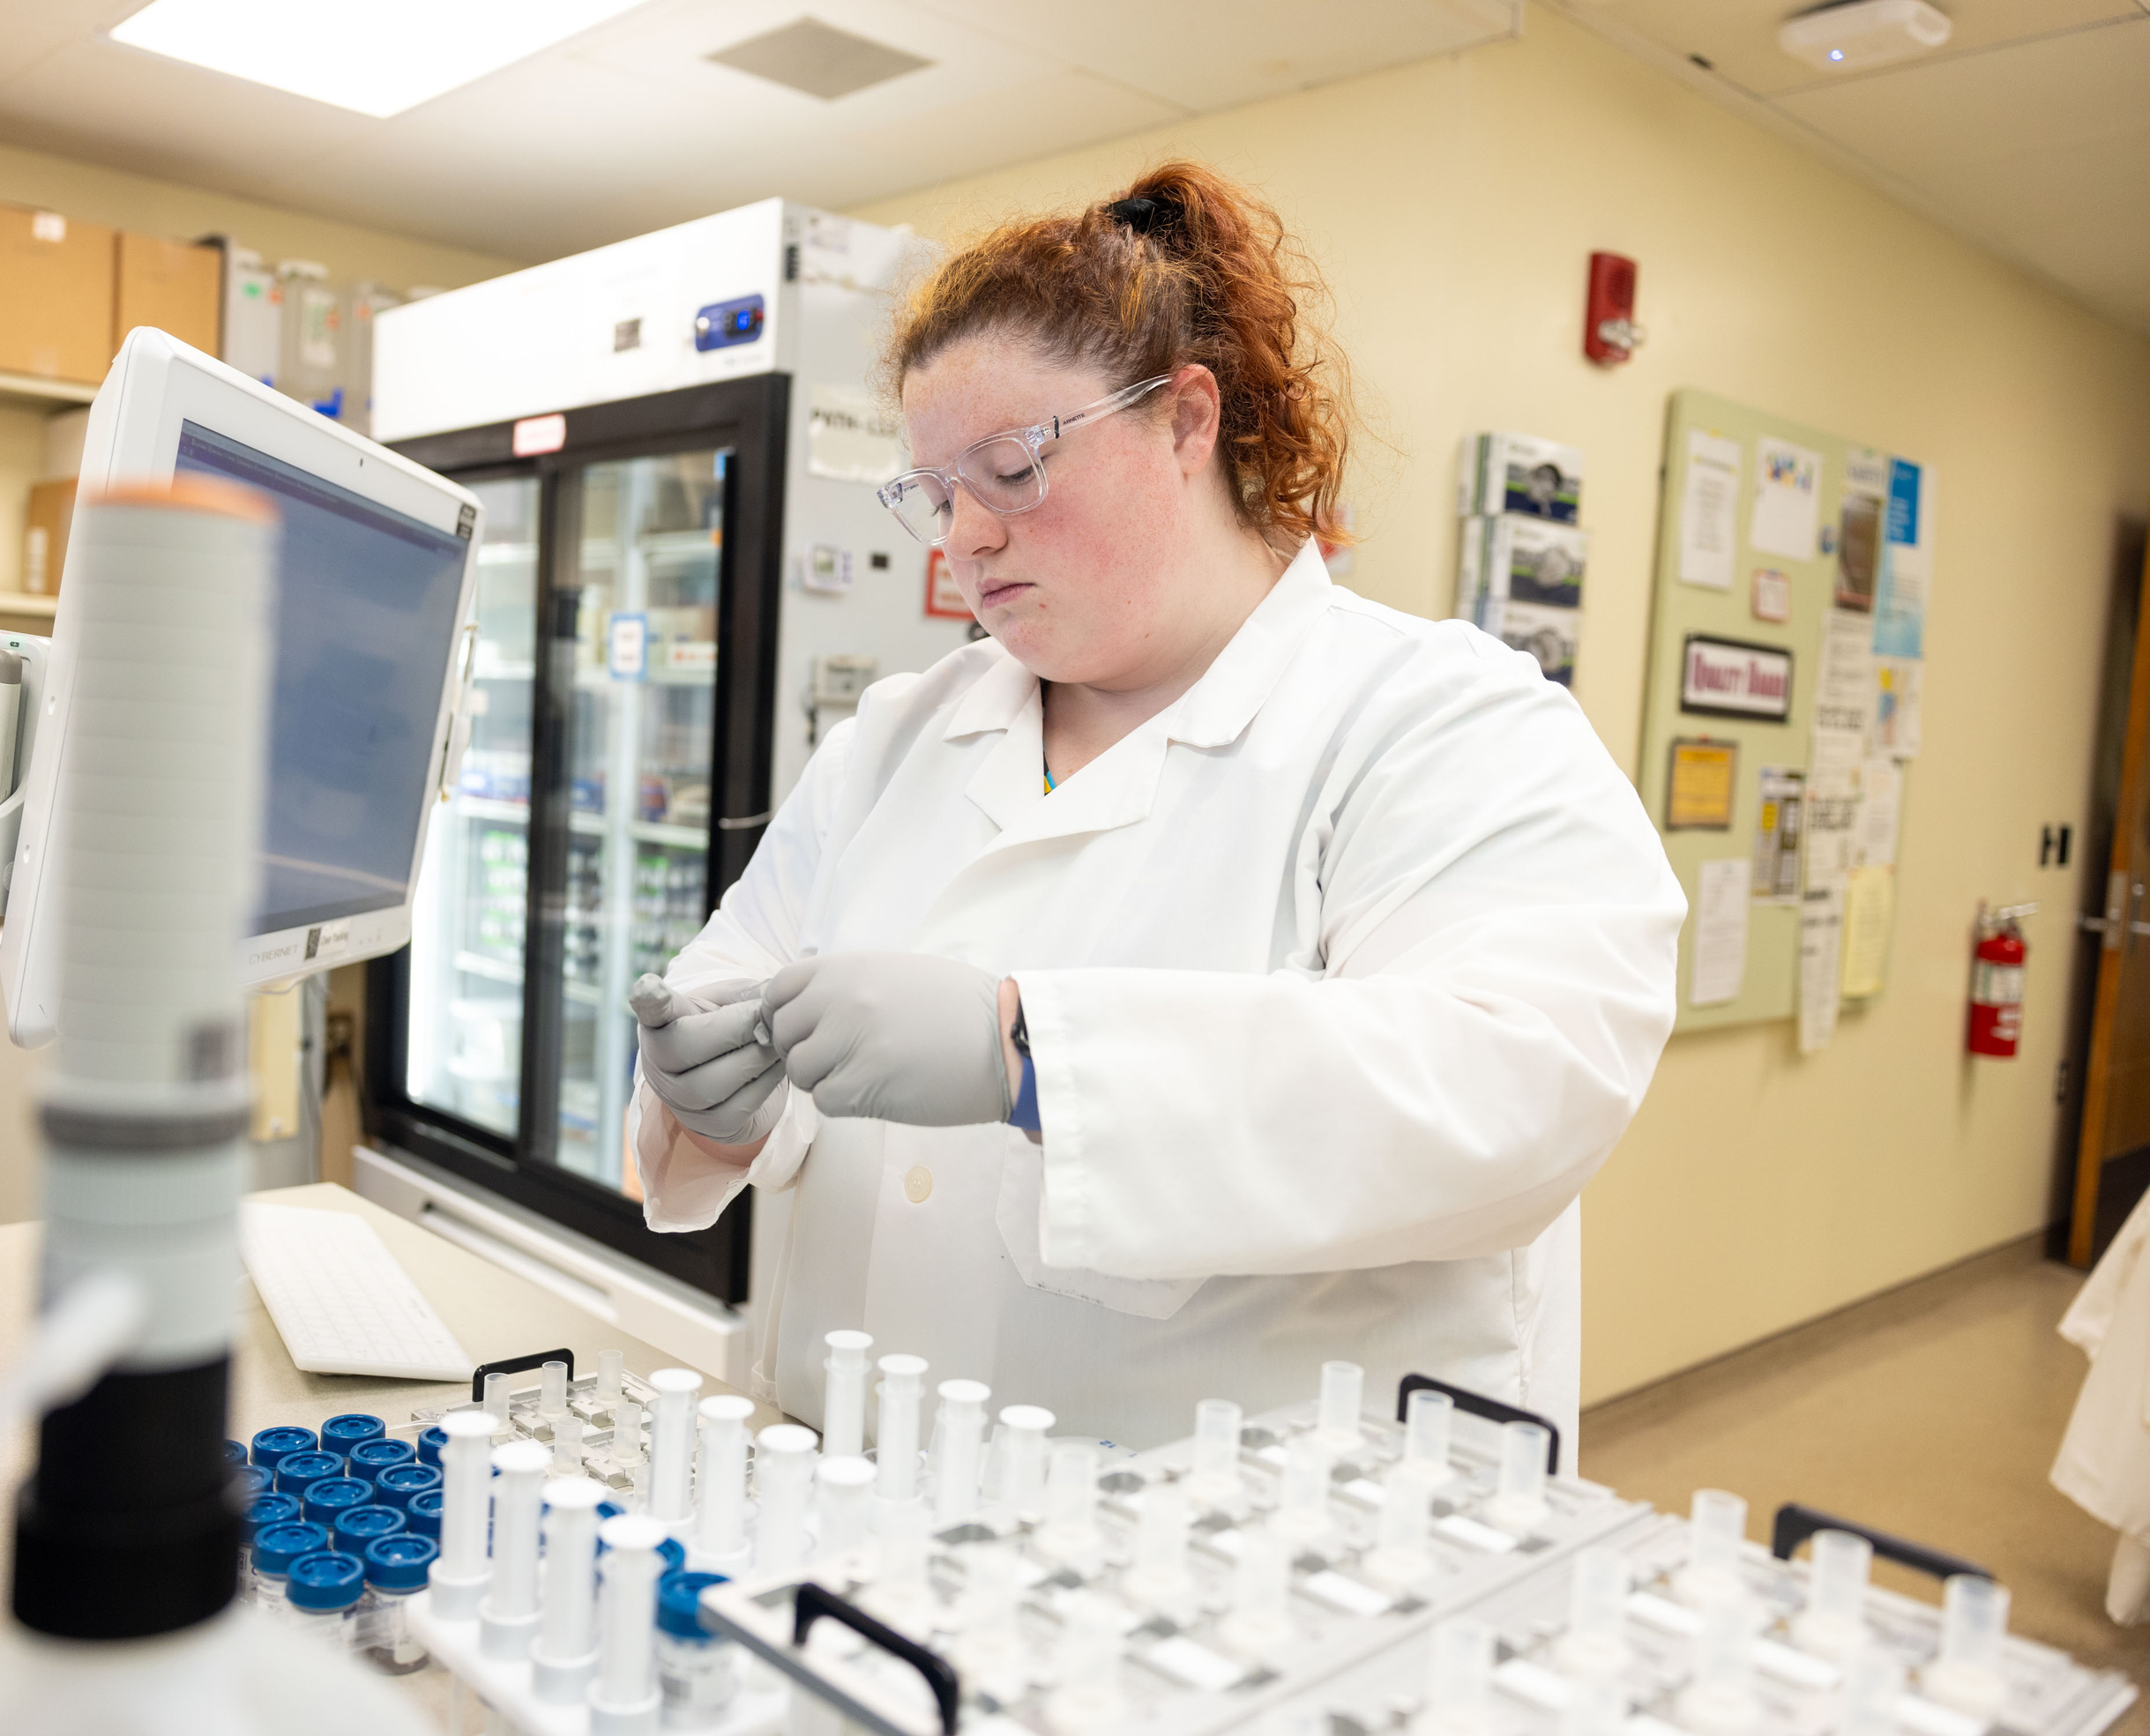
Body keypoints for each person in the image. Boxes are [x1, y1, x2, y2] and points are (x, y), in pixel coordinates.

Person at [626, 162, 1683, 1455]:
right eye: (934, 491)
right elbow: (733, 976)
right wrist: (707, 1094)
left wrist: (1030, 1055)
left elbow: (1524, 1081)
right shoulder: (898, 738)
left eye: (1011, 468)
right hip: (845, 1516)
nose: (963, 537)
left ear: (1188, 421)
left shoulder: (1439, 721)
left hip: (1250, 1582)